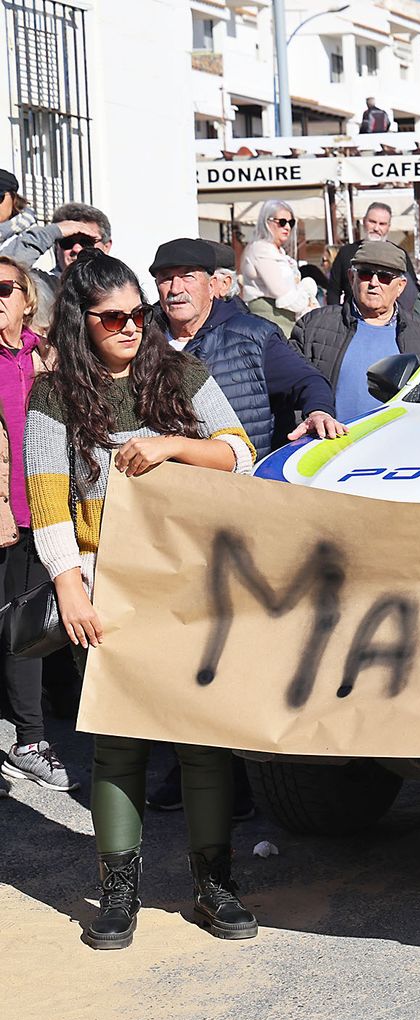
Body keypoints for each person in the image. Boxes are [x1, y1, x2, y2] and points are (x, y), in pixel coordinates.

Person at [28, 251, 258, 949]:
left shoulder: (183, 375)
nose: (131, 326)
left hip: (189, 581)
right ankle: (118, 891)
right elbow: (46, 501)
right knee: (118, 745)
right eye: (113, 318)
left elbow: (240, 453)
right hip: (106, 585)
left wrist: (169, 446)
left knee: (202, 742)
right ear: (81, 323)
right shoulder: (55, 395)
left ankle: (214, 884)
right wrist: (69, 584)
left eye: (138, 312)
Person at [150, 237, 345, 456]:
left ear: (213, 285)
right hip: (163, 481)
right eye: (166, 279)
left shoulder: (253, 337)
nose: (176, 288)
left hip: (242, 479)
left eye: (188, 277)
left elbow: (308, 381)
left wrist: (319, 412)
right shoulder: (141, 338)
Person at [0, 256, 70, 795]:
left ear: (27, 298)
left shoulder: (49, 358)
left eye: (4, 288)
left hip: (39, 514)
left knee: (26, 632)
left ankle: (29, 743)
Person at [291, 240, 420, 422]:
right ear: (352, 278)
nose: (374, 283)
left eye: (384, 277)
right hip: (330, 444)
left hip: (399, 443)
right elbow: (291, 385)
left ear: (400, 286)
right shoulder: (313, 326)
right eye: (366, 274)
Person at [1, 202, 114, 324]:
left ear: (106, 246)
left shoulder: (121, 287)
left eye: (86, 242)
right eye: (67, 242)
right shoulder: (45, 288)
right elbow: (5, 269)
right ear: (56, 248)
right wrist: (52, 232)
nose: (76, 249)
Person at [240, 200, 317, 336]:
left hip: (285, 319)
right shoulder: (261, 249)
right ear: (267, 222)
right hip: (269, 319)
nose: (287, 227)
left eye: (291, 223)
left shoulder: (277, 251)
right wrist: (306, 293)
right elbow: (283, 293)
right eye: (282, 222)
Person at [325, 203, 418, 311]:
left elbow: (412, 290)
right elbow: (333, 290)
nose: (376, 228)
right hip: (351, 319)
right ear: (364, 221)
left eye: (382, 224)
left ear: (388, 227)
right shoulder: (346, 252)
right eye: (372, 222)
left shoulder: (398, 255)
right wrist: (334, 318)